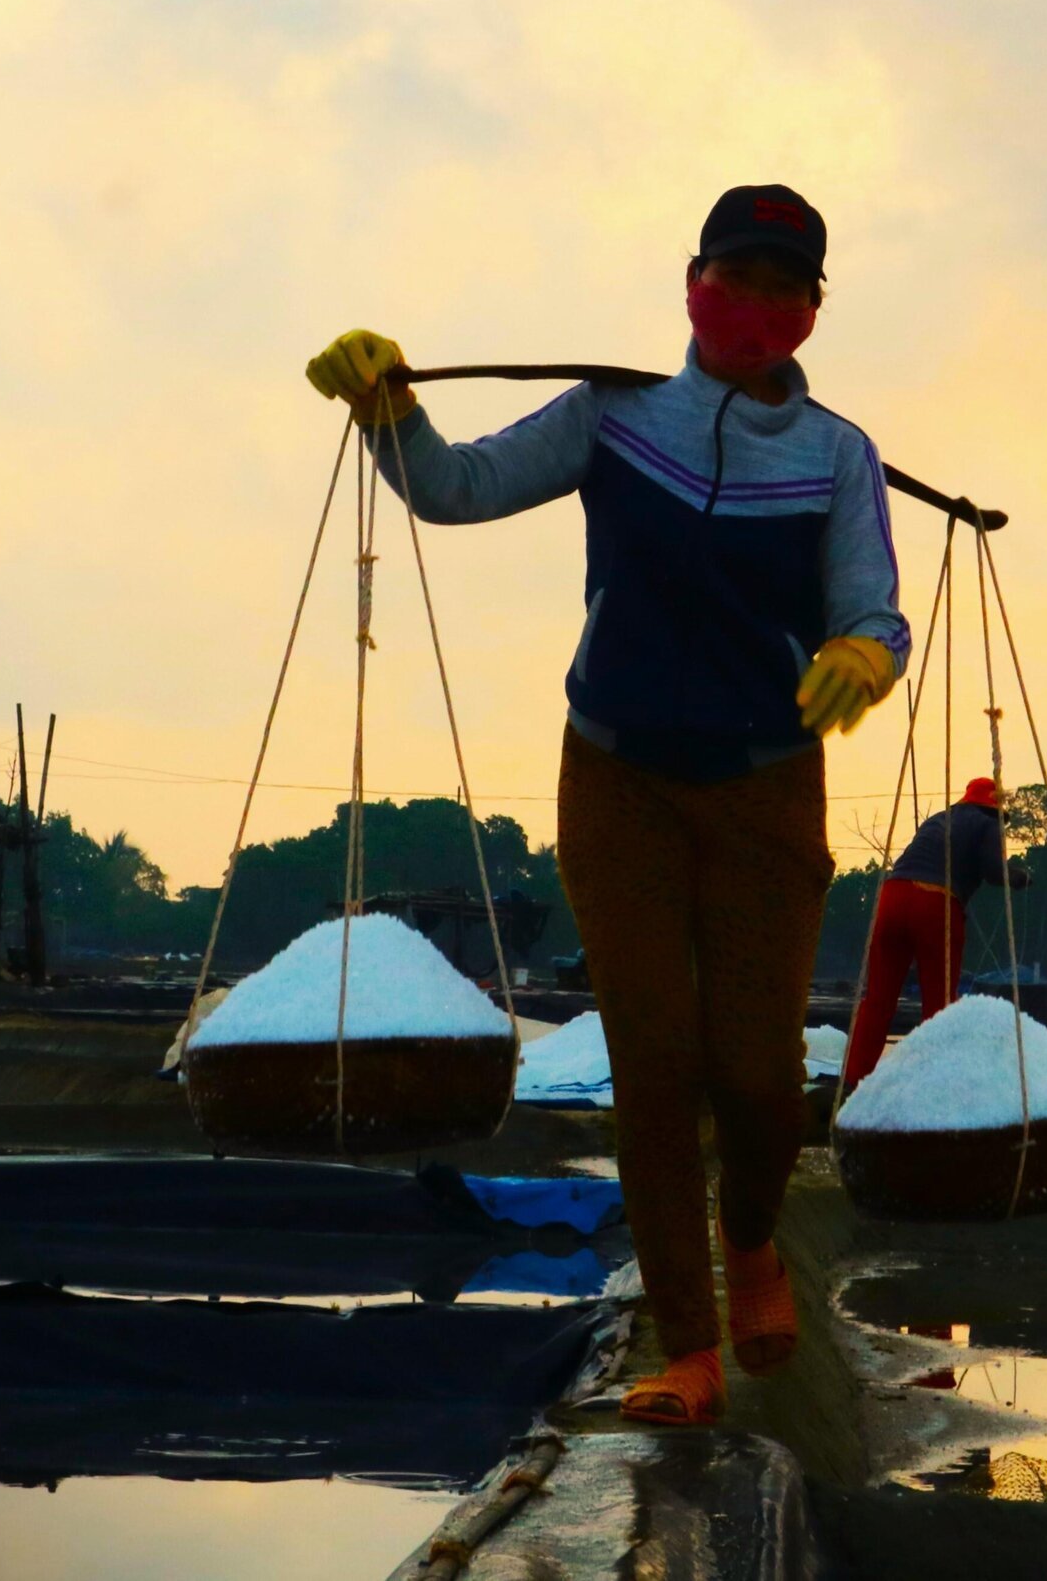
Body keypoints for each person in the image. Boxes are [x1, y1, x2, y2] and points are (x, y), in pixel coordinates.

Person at [306, 183, 909, 1427]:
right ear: (693, 280)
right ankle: (687, 1348)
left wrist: (866, 655)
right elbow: (457, 486)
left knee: (752, 1075)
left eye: (781, 286)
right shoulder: (616, 411)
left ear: (811, 314)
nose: (752, 301)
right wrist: (390, 409)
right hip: (617, 772)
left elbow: (872, 607)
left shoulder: (838, 454)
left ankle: (751, 1242)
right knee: (653, 1065)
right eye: (733, 274)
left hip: (765, 782)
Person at [840, 775, 1028, 1092]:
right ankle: (934, 1085)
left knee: (878, 999)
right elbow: (994, 872)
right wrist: (1020, 877)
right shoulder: (988, 822)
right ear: (994, 807)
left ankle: (853, 1081)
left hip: (892, 897)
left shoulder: (940, 819)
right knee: (938, 1005)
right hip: (935, 904)